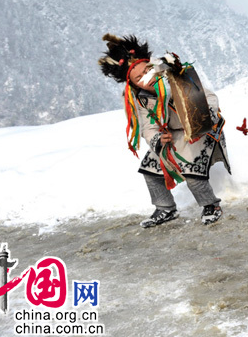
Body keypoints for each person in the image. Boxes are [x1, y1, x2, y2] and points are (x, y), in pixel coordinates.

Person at [98, 33, 230, 228]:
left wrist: (203, 115)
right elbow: (147, 127)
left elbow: (209, 96)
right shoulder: (141, 99)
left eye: (147, 71)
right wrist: (159, 139)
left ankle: (211, 205)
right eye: (139, 77)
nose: (146, 78)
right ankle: (165, 208)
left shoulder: (176, 78)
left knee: (192, 172)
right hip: (173, 134)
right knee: (150, 169)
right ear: (133, 84)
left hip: (201, 128)